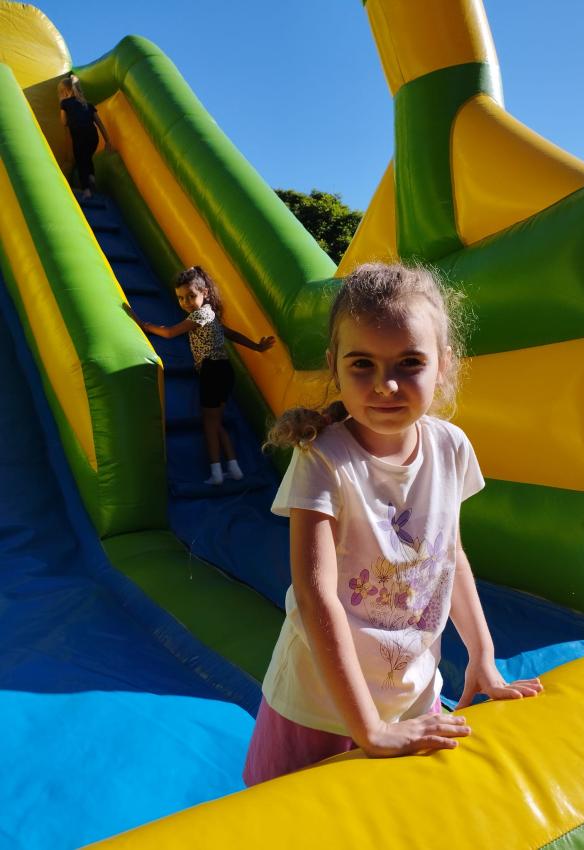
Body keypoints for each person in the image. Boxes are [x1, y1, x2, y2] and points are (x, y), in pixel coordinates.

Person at [243, 262, 542, 785]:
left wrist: (483, 656)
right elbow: (315, 596)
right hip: (318, 706)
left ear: (443, 365)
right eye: (363, 364)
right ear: (334, 365)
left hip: (412, 697)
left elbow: (449, 556)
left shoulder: (450, 447)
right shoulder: (325, 459)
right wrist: (370, 730)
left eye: (410, 362)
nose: (386, 384)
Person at [139, 265, 275, 484]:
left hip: (212, 371)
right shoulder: (210, 313)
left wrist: (144, 325)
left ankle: (216, 473)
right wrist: (256, 347)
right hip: (224, 370)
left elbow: (170, 333)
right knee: (216, 421)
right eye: (181, 298)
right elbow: (232, 334)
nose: (186, 302)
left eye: (191, 296)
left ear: (205, 293)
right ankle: (234, 468)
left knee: (210, 424)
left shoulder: (199, 315)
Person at [58, 73, 112, 200]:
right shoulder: (87, 104)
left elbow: (64, 122)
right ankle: (92, 177)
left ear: (64, 91)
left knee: (81, 161)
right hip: (93, 137)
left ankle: (86, 190)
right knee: (87, 158)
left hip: (79, 136)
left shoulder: (65, 103)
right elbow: (99, 123)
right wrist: (107, 141)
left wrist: (64, 109)